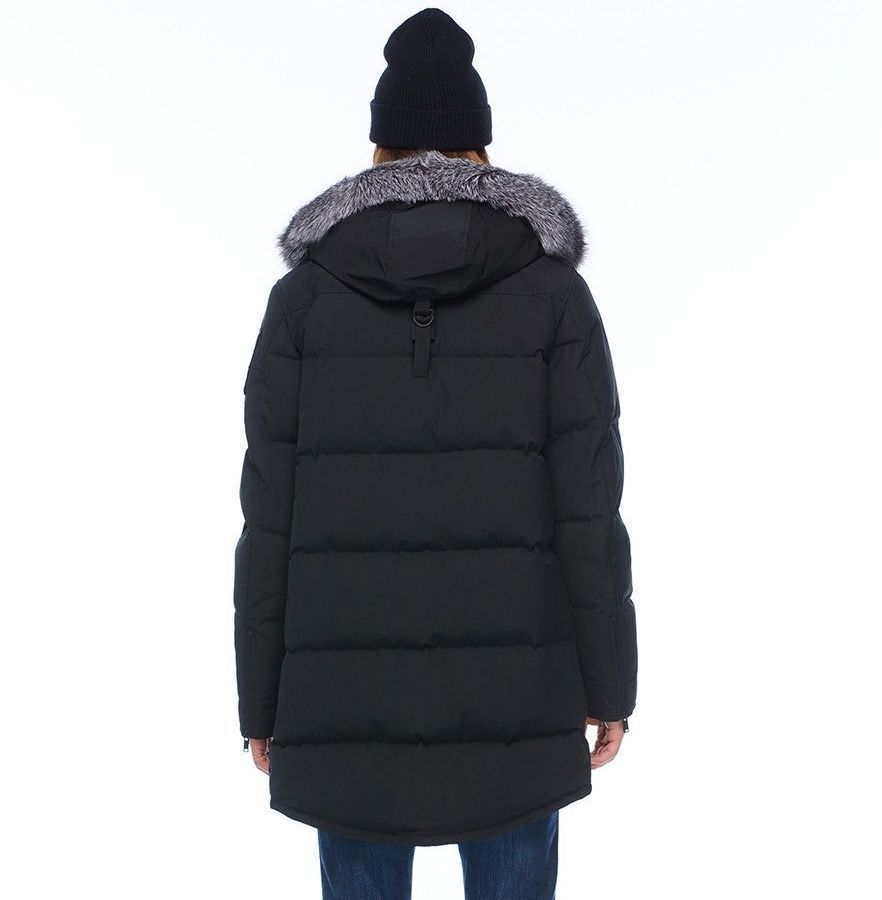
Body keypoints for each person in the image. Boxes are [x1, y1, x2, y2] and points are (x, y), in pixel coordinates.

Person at [233, 8, 637, 899]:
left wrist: (259, 699)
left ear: (378, 148)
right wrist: (611, 684)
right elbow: (589, 509)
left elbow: (269, 519)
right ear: (479, 145)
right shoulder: (554, 298)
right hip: (519, 700)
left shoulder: (302, 303)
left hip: (342, 705)